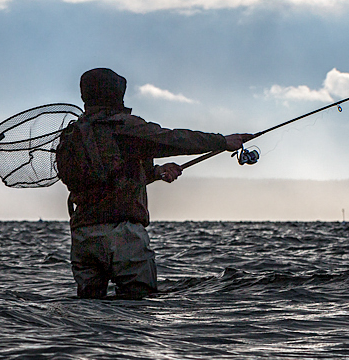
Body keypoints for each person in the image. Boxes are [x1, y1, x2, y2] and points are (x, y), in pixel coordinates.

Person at [56, 67, 251, 299]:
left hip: (82, 237)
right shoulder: (123, 126)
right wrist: (222, 142)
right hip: (123, 234)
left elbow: (103, 178)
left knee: (88, 312)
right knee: (138, 310)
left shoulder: (72, 135)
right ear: (117, 94)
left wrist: (156, 172)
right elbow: (173, 140)